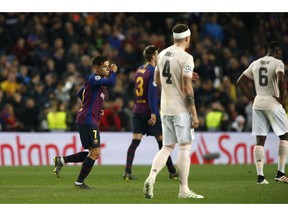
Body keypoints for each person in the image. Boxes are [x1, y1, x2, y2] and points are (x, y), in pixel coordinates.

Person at [143, 24, 204, 199]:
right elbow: (186, 87)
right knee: (184, 148)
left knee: (167, 147)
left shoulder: (162, 54)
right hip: (181, 110)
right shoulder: (187, 57)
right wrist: (194, 113)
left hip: (166, 108)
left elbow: (157, 80)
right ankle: (184, 190)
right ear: (188, 38)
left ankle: (152, 176)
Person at [53, 55, 118, 189]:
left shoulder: (98, 83)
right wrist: (114, 72)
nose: (107, 69)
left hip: (88, 118)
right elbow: (111, 82)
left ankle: (62, 160)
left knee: (92, 152)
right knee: (95, 153)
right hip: (88, 119)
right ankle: (79, 182)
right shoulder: (94, 78)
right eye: (105, 67)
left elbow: (80, 93)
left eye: (108, 66)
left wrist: (94, 107)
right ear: (96, 68)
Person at [123, 45, 178, 180]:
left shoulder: (139, 70)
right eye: (157, 53)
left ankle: (127, 172)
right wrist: (154, 113)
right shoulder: (153, 71)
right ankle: (172, 172)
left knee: (135, 142)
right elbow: (152, 95)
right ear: (153, 55)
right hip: (149, 111)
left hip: (137, 110)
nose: (159, 55)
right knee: (162, 142)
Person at [237, 41, 288, 184]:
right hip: (273, 103)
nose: (281, 55)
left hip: (258, 103)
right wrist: (282, 98)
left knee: (260, 140)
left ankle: (260, 176)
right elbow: (280, 78)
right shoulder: (278, 62)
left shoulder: (255, 63)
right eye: (280, 52)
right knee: (285, 136)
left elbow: (240, 82)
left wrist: (252, 98)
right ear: (277, 51)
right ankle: (280, 172)